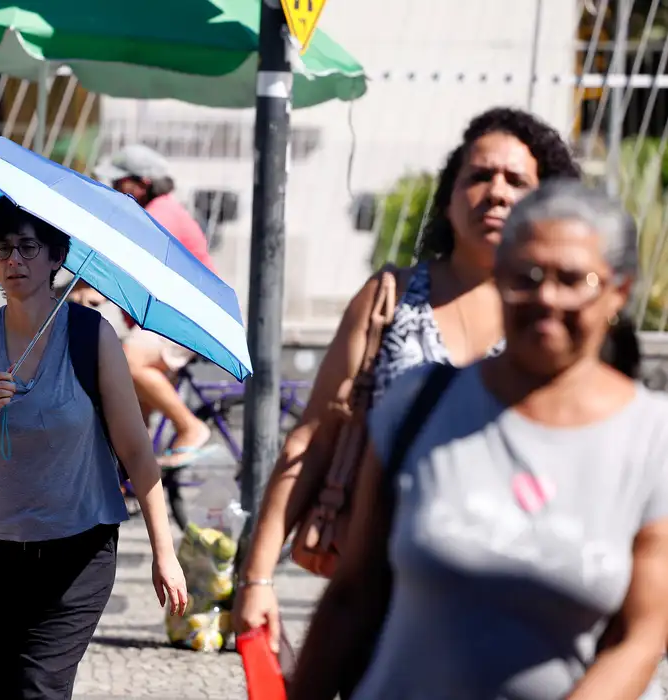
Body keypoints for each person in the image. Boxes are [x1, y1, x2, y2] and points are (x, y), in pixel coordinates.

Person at [290, 179, 668, 700]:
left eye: (572, 279)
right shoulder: (419, 404)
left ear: (617, 292)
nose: (546, 297)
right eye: (526, 276)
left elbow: (640, 637)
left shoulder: (652, 439)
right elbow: (352, 594)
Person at [232, 107, 582, 647]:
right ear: (449, 197)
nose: (496, 192)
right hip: (384, 592)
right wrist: (256, 578)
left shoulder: (561, 314)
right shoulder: (390, 299)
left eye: (516, 180)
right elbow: (314, 438)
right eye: (479, 175)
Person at [0, 197, 188, 699]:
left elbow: (136, 452)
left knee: (39, 690)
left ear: (56, 258)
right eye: (2, 249)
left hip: (77, 553)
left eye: (28, 247)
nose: (14, 260)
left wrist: (165, 552)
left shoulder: (91, 337)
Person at [93, 144, 218, 467]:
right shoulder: (150, 211)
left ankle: (190, 427)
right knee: (132, 418)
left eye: (119, 182)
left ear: (142, 184)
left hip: (187, 319)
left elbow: (130, 259)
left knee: (130, 361)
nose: (113, 188)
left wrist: (94, 287)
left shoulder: (162, 212)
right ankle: (132, 481)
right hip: (167, 320)